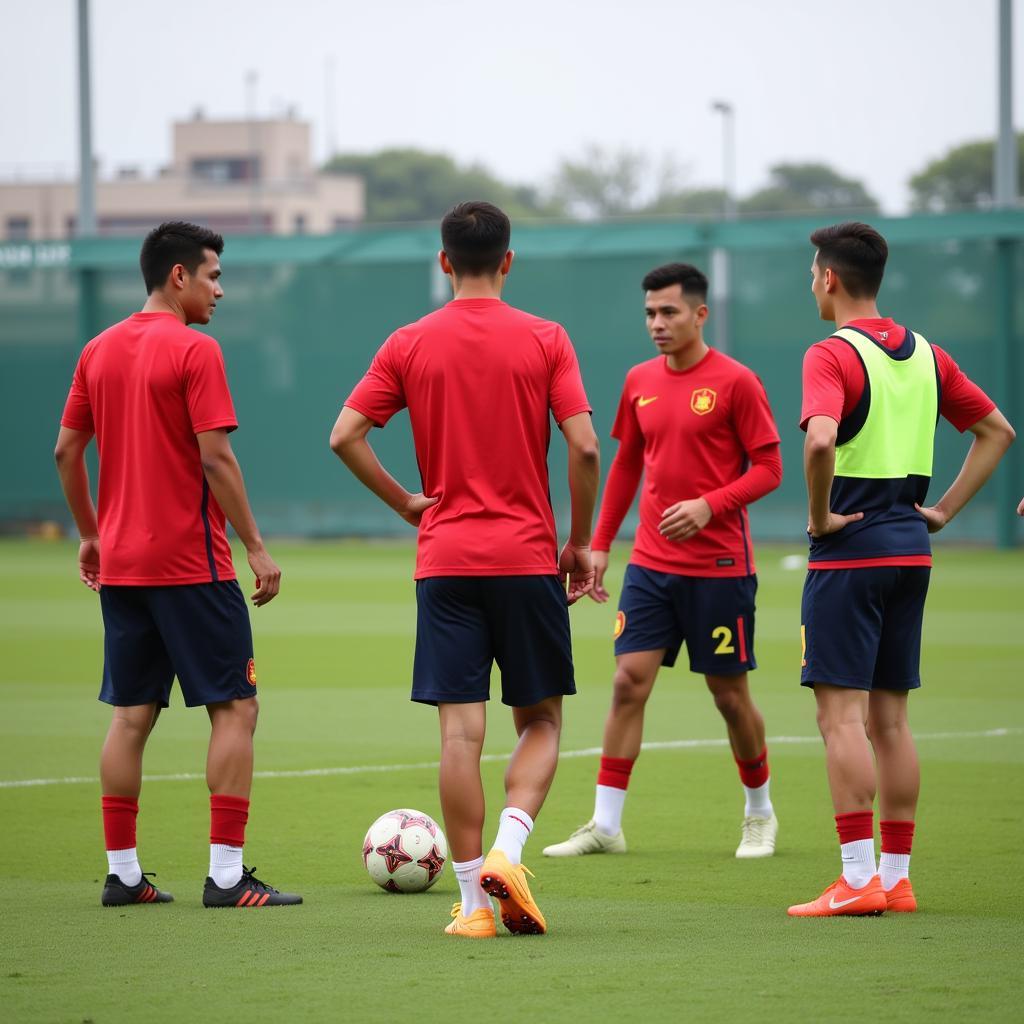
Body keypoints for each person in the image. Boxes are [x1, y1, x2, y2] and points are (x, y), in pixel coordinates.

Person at [330, 201, 599, 938]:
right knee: (540, 719)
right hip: (525, 559)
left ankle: (475, 908)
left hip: (444, 560)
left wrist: (406, 505)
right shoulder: (546, 337)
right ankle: (510, 852)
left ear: (443, 261)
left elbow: (344, 435)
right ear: (509, 261)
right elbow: (584, 448)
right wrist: (576, 544)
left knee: (460, 736)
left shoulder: (410, 341)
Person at [55, 221, 301, 909]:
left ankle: (123, 875)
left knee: (131, 716)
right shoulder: (195, 350)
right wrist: (254, 543)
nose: (221, 289)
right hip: (193, 565)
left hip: (125, 568)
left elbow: (66, 452)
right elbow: (216, 456)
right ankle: (227, 877)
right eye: (214, 275)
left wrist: (90, 534)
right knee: (237, 708)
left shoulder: (97, 351)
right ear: (178, 277)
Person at [788, 221, 1014, 917]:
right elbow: (998, 431)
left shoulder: (829, 354)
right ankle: (896, 876)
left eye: (813, 273)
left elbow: (821, 437)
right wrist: (941, 511)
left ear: (828, 278)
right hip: (911, 553)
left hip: (849, 557)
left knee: (841, 721)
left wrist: (821, 516)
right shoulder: (927, 355)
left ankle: (857, 881)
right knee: (891, 721)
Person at [542, 262, 783, 862]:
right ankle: (606, 824)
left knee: (729, 695)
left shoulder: (737, 382)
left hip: (721, 567)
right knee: (628, 683)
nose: (657, 323)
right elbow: (625, 465)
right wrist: (599, 544)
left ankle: (760, 813)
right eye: (650, 312)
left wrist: (711, 504)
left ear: (700, 314)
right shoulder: (639, 380)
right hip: (651, 565)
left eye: (669, 312)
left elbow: (770, 469)